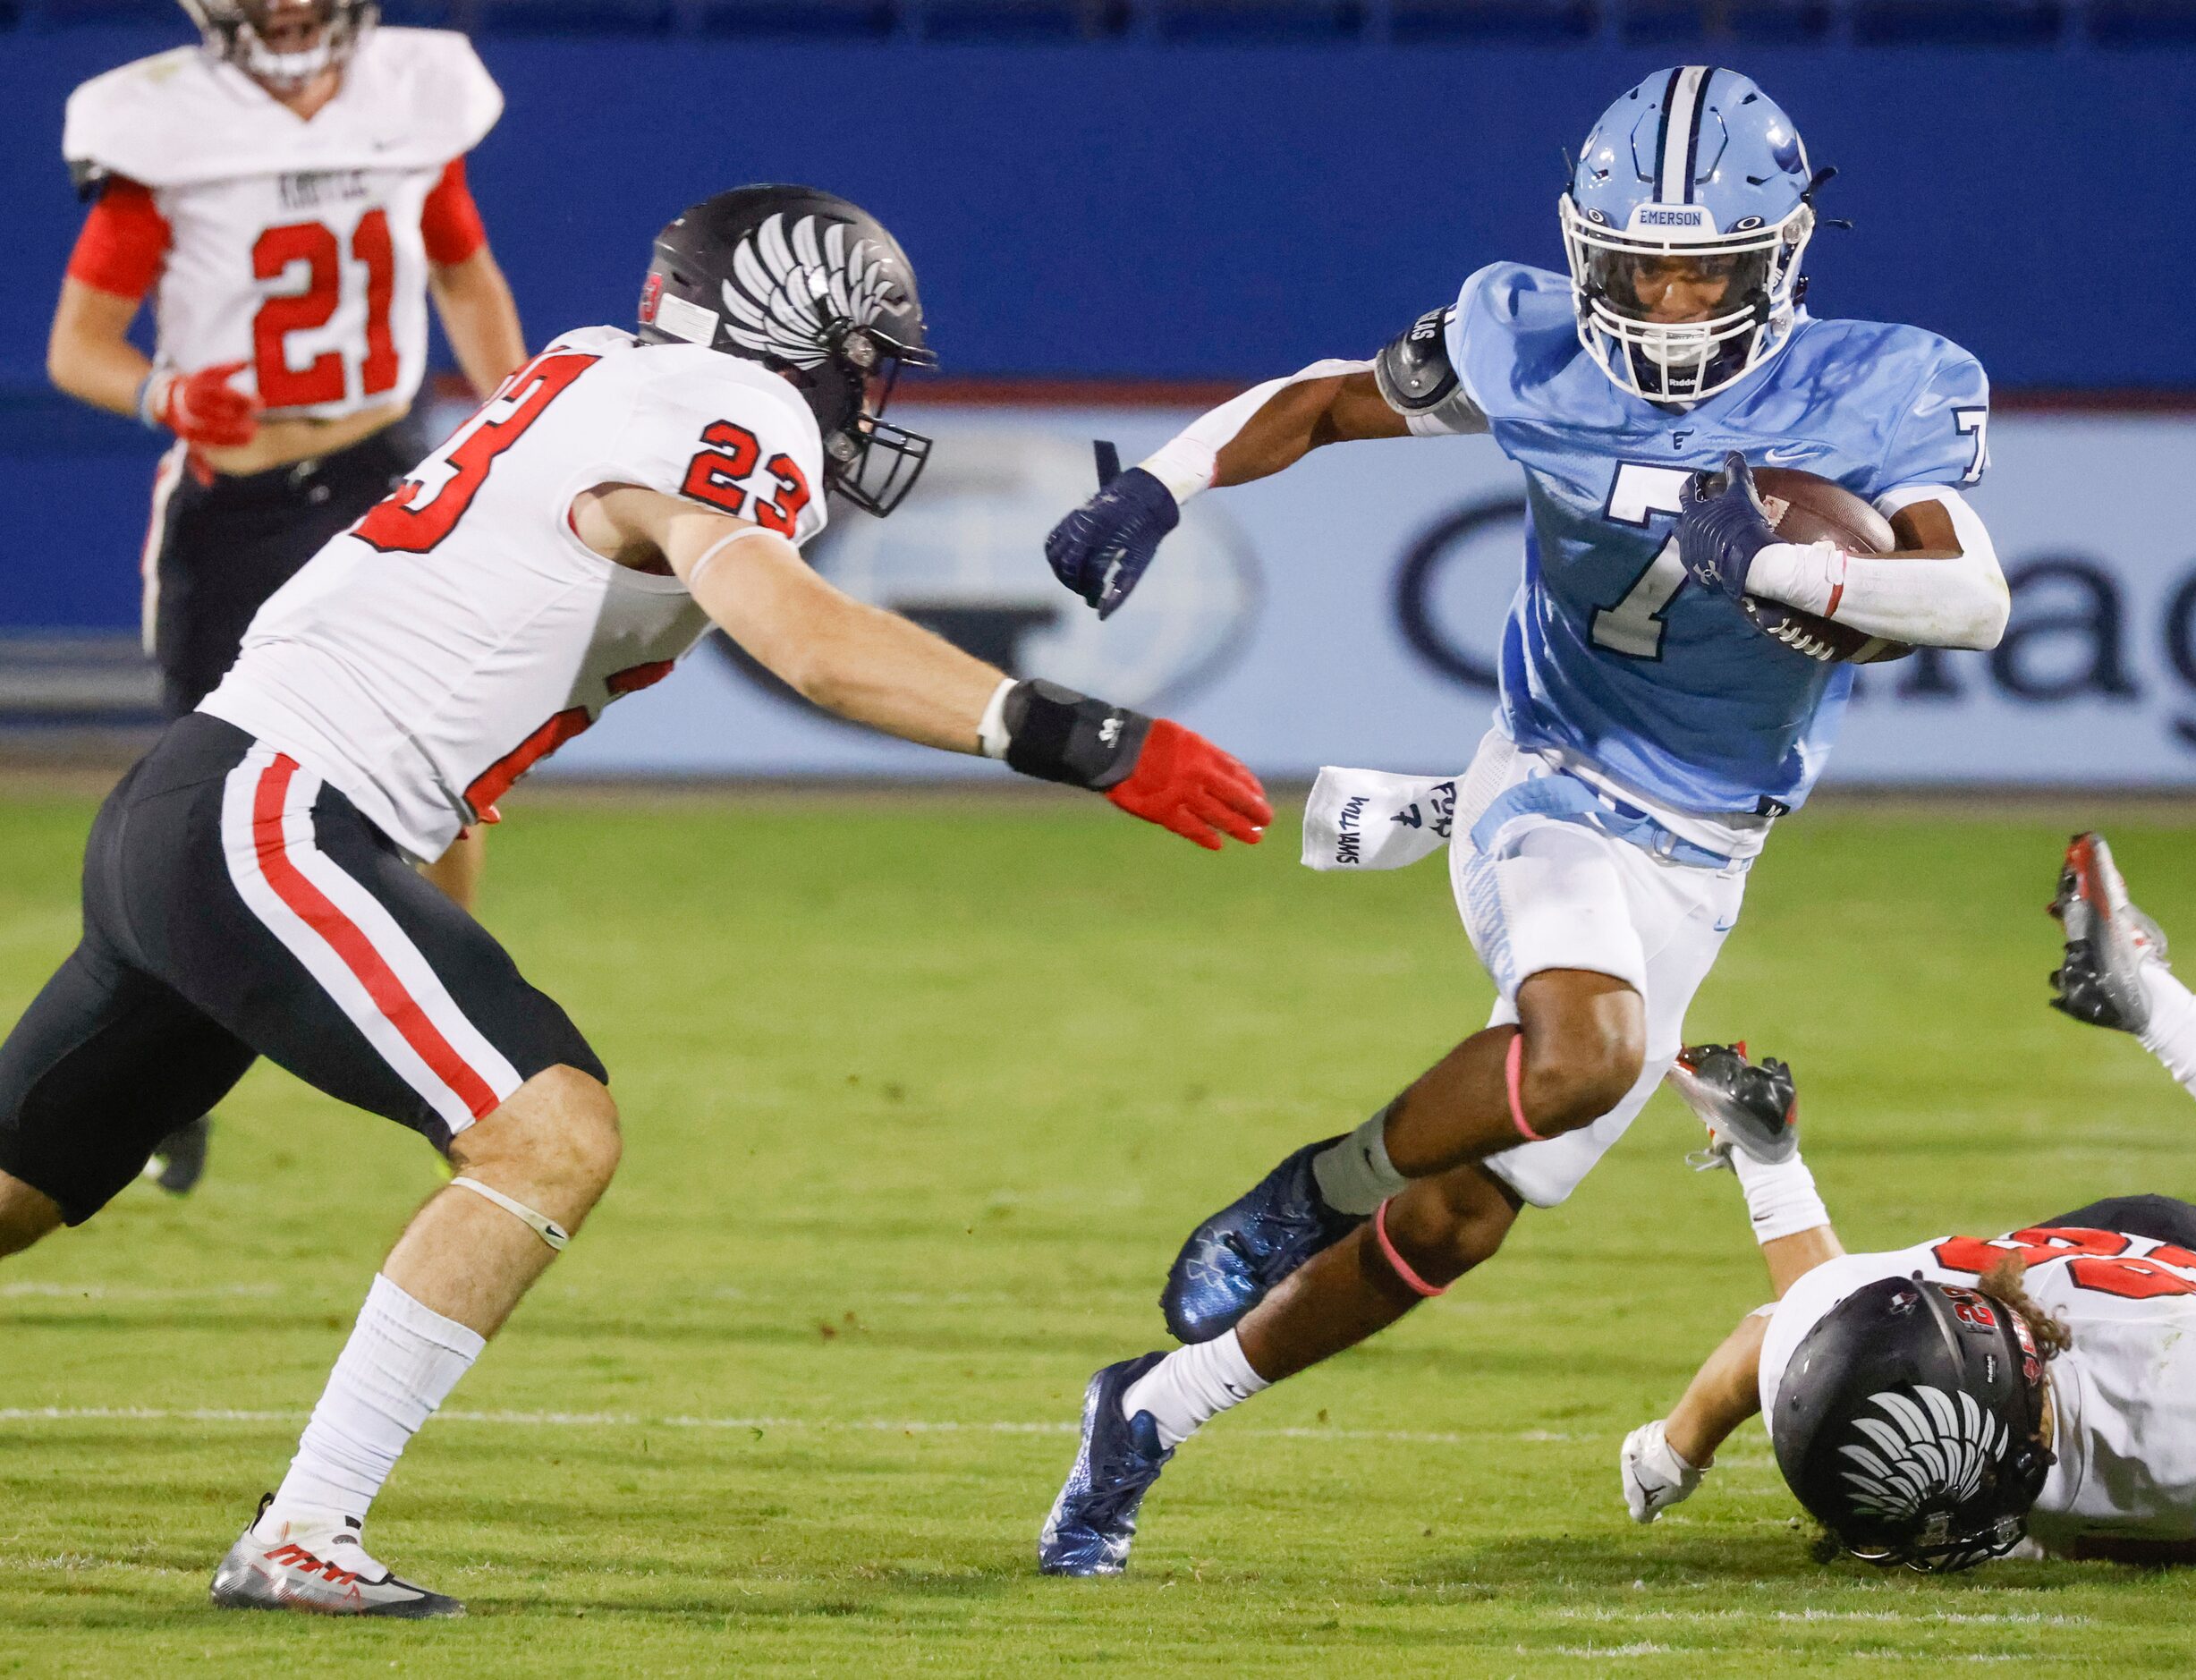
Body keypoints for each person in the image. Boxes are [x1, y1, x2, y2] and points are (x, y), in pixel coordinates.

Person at [0, 185, 1273, 1617]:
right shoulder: (729, 413)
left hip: (204, 805)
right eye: (860, 354)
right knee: (550, 1135)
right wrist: (1082, 737)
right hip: (275, 816)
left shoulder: (607, 369)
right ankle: (304, 1532)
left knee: (16, 1192)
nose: (866, 391)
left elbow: (475, 715)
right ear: (786, 328)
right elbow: (806, 646)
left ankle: (305, 1530)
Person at [1036, 67, 2012, 1575]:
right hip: (1548, 765)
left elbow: (1968, 596)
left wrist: (1785, 570)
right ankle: (1308, 1187)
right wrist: (1159, 489)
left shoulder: (1878, 383)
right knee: (1584, 1054)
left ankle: (1149, 1411)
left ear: (1783, 258)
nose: (1671, 304)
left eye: (1706, 269)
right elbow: (1322, 399)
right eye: (1637, 267)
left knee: (1465, 1219)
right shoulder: (1527, 338)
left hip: (1711, 838)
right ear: (1582, 251)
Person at [1615, 834, 2196, 1570]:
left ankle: (2154, 1003)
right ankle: (1769, 1156)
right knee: (1840, 1344)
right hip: (2009, 1276)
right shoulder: (1875, 1318)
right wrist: (1671, 1450)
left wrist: (2068, 1535)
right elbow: (1785, 1332)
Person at [50, 0, 529, 1191]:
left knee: (448, 770)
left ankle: (467, 1056)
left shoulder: (413, 100)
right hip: (239, 496)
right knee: (193, 817)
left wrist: (523, 420)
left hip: (384, 478)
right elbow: (80, 344)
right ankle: (164, 1080)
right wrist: (165, 394)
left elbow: (466, 275)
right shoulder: (158, 129)